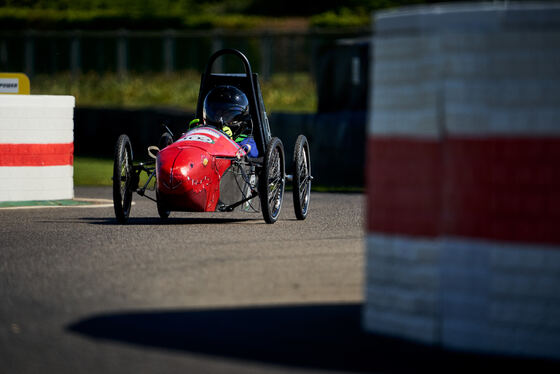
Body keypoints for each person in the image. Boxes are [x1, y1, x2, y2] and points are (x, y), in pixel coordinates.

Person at [199, 85, 258, 157]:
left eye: (228, 116)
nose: (220, 119)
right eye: (217, 114)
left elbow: (252, 152)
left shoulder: (245, 141)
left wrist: (228, 142)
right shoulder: (201, 134)